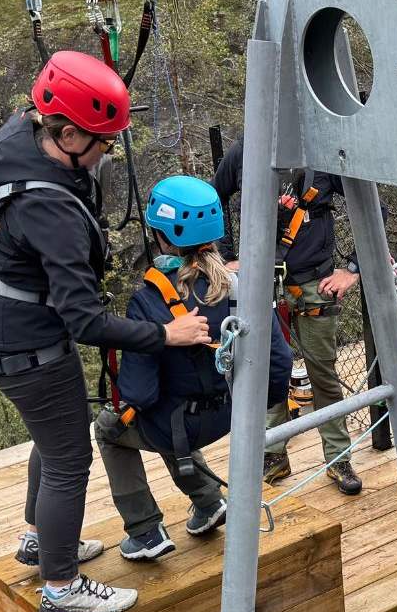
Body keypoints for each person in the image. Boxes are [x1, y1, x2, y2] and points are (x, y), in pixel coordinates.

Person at [0, 51, 207, 612]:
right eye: (100, 141)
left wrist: (14, 250)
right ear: (67, 134)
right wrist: (164, 335)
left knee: (54, 439)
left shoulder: (18, 133)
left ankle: (42, 543)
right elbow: (87, 322)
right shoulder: (55, 213)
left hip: (0, 318)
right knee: (70, 459)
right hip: (28, 343)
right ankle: (62, 584)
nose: (105, 153)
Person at [95, 176, 293, 560]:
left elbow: (140, 392)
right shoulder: (243, 288)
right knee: (168, 412)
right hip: (232, 412)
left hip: (181, 425)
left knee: (109, 430)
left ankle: (145, 531)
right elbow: (280, 360)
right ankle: (207, 503)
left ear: (160, 236)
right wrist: (252, 406)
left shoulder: (149, 301)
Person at [211, 136, 364, 496]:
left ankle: (338, 456)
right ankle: (272, 454)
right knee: (267, 370)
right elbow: (214, 198)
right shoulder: (245, 150)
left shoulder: (323, 151)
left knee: (322, 373)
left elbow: (371, 206)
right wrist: (228, 257)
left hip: (315, 283)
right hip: (262, 284)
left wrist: (352, 269)